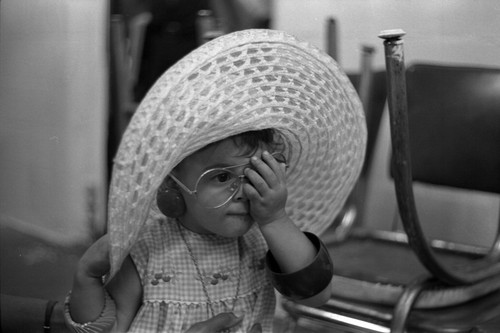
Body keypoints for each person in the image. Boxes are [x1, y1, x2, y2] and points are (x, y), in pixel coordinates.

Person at [63, 29, 367, 332]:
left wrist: (275, 218)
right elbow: (109, 327)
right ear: (173, 180)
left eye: (257, 174)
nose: (243, 194)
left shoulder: (262, 239)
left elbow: (318, 295)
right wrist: (87, 278)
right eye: (222, 177)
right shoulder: (146, 251)